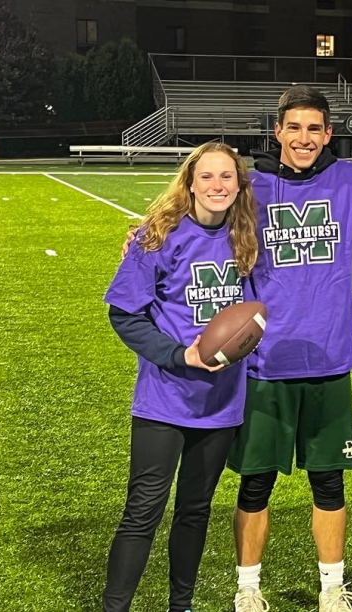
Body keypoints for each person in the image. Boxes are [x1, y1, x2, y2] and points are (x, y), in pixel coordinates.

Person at [227, 85, 352, 612]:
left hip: (330, 355)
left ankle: (331, 588)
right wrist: (147, 230)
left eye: (315, 128)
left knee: (329, 483)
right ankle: (248, 589)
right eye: (295, 127)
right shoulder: (250, 185)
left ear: (329, 134)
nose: (305, 138)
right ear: (278, 131)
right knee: (255, 483)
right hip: (265, 360)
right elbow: (194, 210)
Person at [102, 142, 259, 612]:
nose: (217, 185)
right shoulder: (158, 235)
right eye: (207, 177)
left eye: (227, 177)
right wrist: (177, 355)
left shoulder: (247, 234)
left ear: (238, 184)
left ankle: (181, 605)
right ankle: (115, 607)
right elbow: (124, 314)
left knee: (194, 511)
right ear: (190, 182)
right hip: (164, 398)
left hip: (222, 401)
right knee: (143, 511)